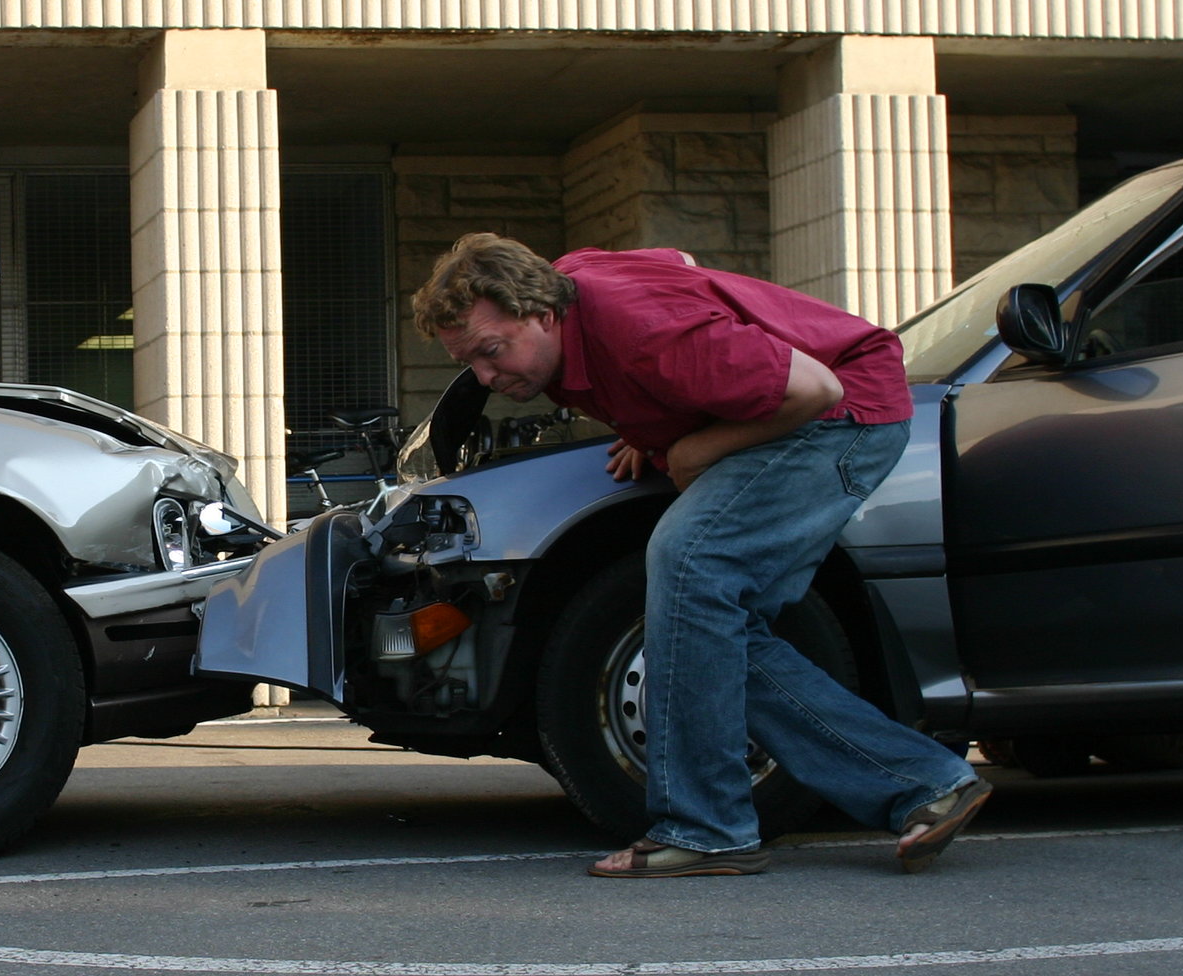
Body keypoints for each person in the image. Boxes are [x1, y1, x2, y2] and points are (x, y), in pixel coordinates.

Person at [411, 234, 990, 878]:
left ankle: (708, 827)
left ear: (543, 314)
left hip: (844, 417)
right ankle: (925, 784)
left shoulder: (643, 333)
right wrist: (647, 426)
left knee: (689, 563)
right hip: (808, 407)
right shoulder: (568, 286)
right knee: (708, 635)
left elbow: (815, 389)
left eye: (494, 353)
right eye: (473, 365)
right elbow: (676, 263)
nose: (489, 379)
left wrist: (691, 450)